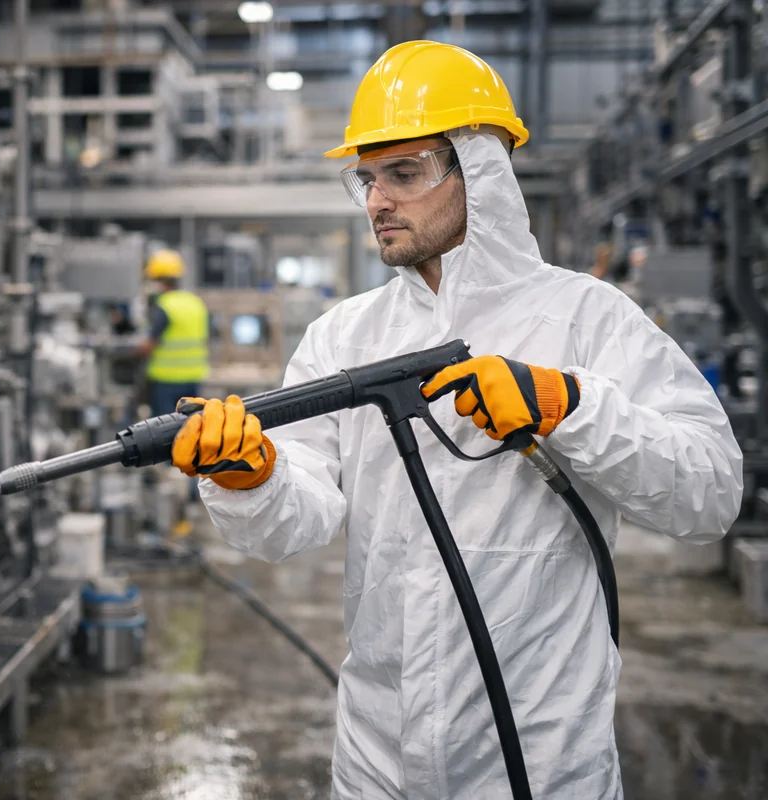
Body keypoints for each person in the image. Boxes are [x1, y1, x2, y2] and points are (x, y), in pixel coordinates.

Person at [169, 41, 743, 799]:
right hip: (379, 756)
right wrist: (256, 477)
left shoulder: (586, 319)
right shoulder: (345, 337)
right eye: (368, 179)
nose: (378, 201)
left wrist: (570, 407)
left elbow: (710, 495)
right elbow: (294, 524)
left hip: (541, 758)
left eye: (404, 173)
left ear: (483, 171)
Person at [136, 249, 210, 416]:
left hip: (166, 380)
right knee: (191, 427)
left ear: (158, 281)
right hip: (193, 377)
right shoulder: (195, 302)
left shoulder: (165, 305)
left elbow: (150, 345)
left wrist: (132, 351)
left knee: (165, 430)